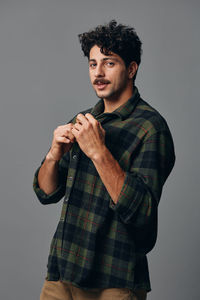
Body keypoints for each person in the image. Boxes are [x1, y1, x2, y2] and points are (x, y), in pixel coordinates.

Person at [33, 20, 175, 300]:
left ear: (131, 69)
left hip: (114, 280)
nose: (98, 72)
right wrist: (53, 155)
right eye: (92, 63)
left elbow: (143, 214)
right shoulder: (84, 119)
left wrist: (99, 152)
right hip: (62, 274)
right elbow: (46, 193)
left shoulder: (151, 127)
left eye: (109, 63)